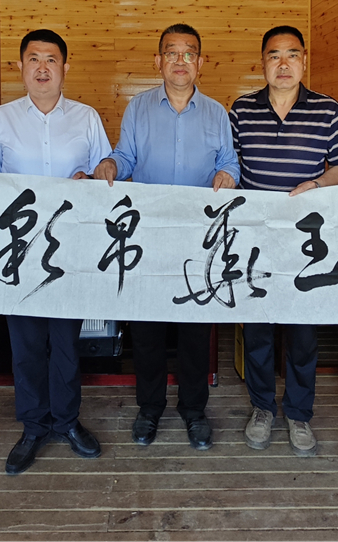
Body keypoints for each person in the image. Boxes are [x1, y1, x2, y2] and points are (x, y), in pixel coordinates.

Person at [0, 29, 109, 474]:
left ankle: (66, 421)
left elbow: (107, 171)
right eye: (34, 59)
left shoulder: (86, 118)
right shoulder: (3, 118)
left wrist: (97, 174)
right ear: (21, 67)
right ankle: (33, 426)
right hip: (20, 250)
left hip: (70, 248)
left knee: (66, 343)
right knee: (26, 344)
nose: (42, 68)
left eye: (51, 59)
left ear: (65, 67)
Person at [93, 23, 240, 451]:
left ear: (200, 62)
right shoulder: (138, 108)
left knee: (196, 330)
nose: (180, 61)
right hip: (149, 234)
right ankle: (150, 407)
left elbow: (230, 161)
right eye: (172, 53)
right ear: (158, 61)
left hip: (199, 236)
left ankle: (194, 410)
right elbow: (125, 156)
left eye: (189, 53)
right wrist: (111, 165)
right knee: (147, 328)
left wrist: (228, 175)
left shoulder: (216, 113)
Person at [230, 25, 338, 455]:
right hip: (256, 239)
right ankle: (263, 407)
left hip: (306, 241)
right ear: (262, 62)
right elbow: (230, 163)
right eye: (274, 55)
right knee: (258, 330)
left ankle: (299, 413)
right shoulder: (241, 110)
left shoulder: (327, 109)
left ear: (304, 61)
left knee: (302, 333)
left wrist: (317, 184)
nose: (283, 64)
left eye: (292, 55)